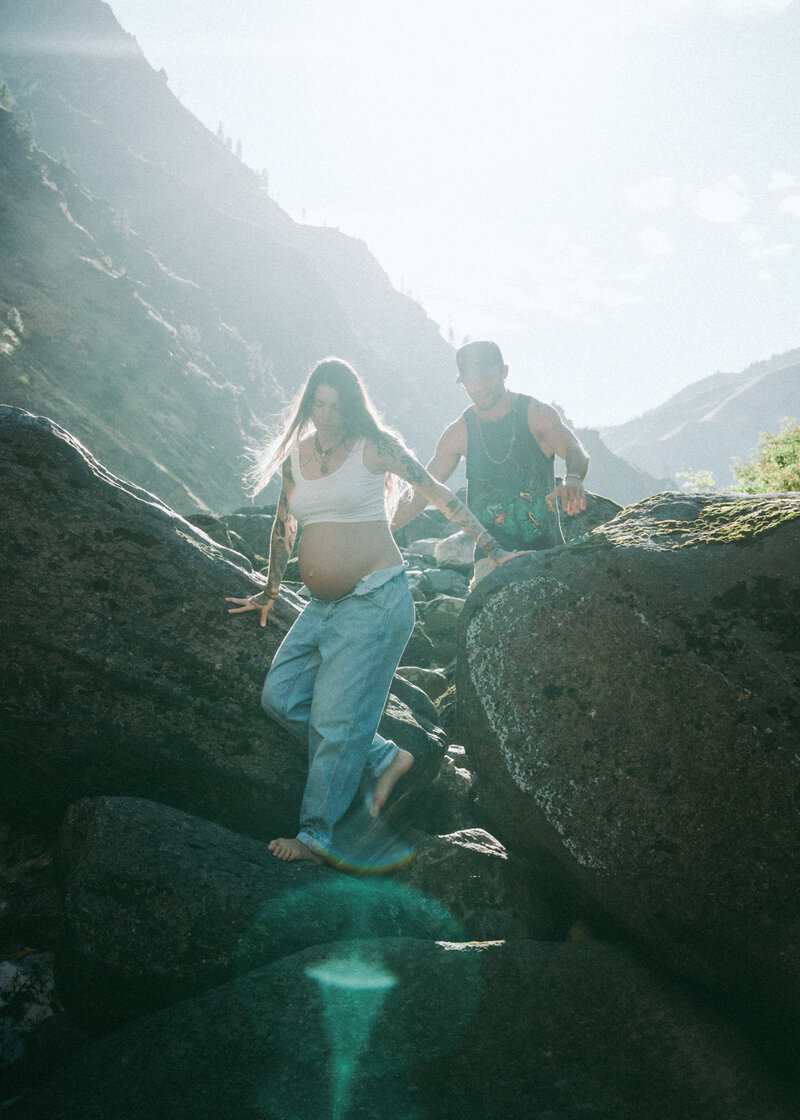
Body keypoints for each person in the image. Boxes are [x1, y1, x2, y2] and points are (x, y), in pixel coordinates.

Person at [226, 357, 526, 865]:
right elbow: (283, 527)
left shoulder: (374, 447)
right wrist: (270, 590)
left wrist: (491, 547)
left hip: (375, 600)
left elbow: (437, 493)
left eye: (337, 407)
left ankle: (316, 836)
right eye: (319, 405)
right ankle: (385, 755)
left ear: (353, 407)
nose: (327, 415)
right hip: (323, 606)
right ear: (308, 405)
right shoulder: (297, 458)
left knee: (333, 723)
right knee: (279, 697)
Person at [392, 339, 590, 586]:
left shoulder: (535, 414)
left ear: (504, 372)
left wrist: (573, 477)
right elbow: (424, 489)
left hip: (546, 553)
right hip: (491, 559)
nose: (478, 387)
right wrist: (382, 528)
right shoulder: (460, 432)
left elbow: (575, 449)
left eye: (486, 377)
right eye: (469, 381)